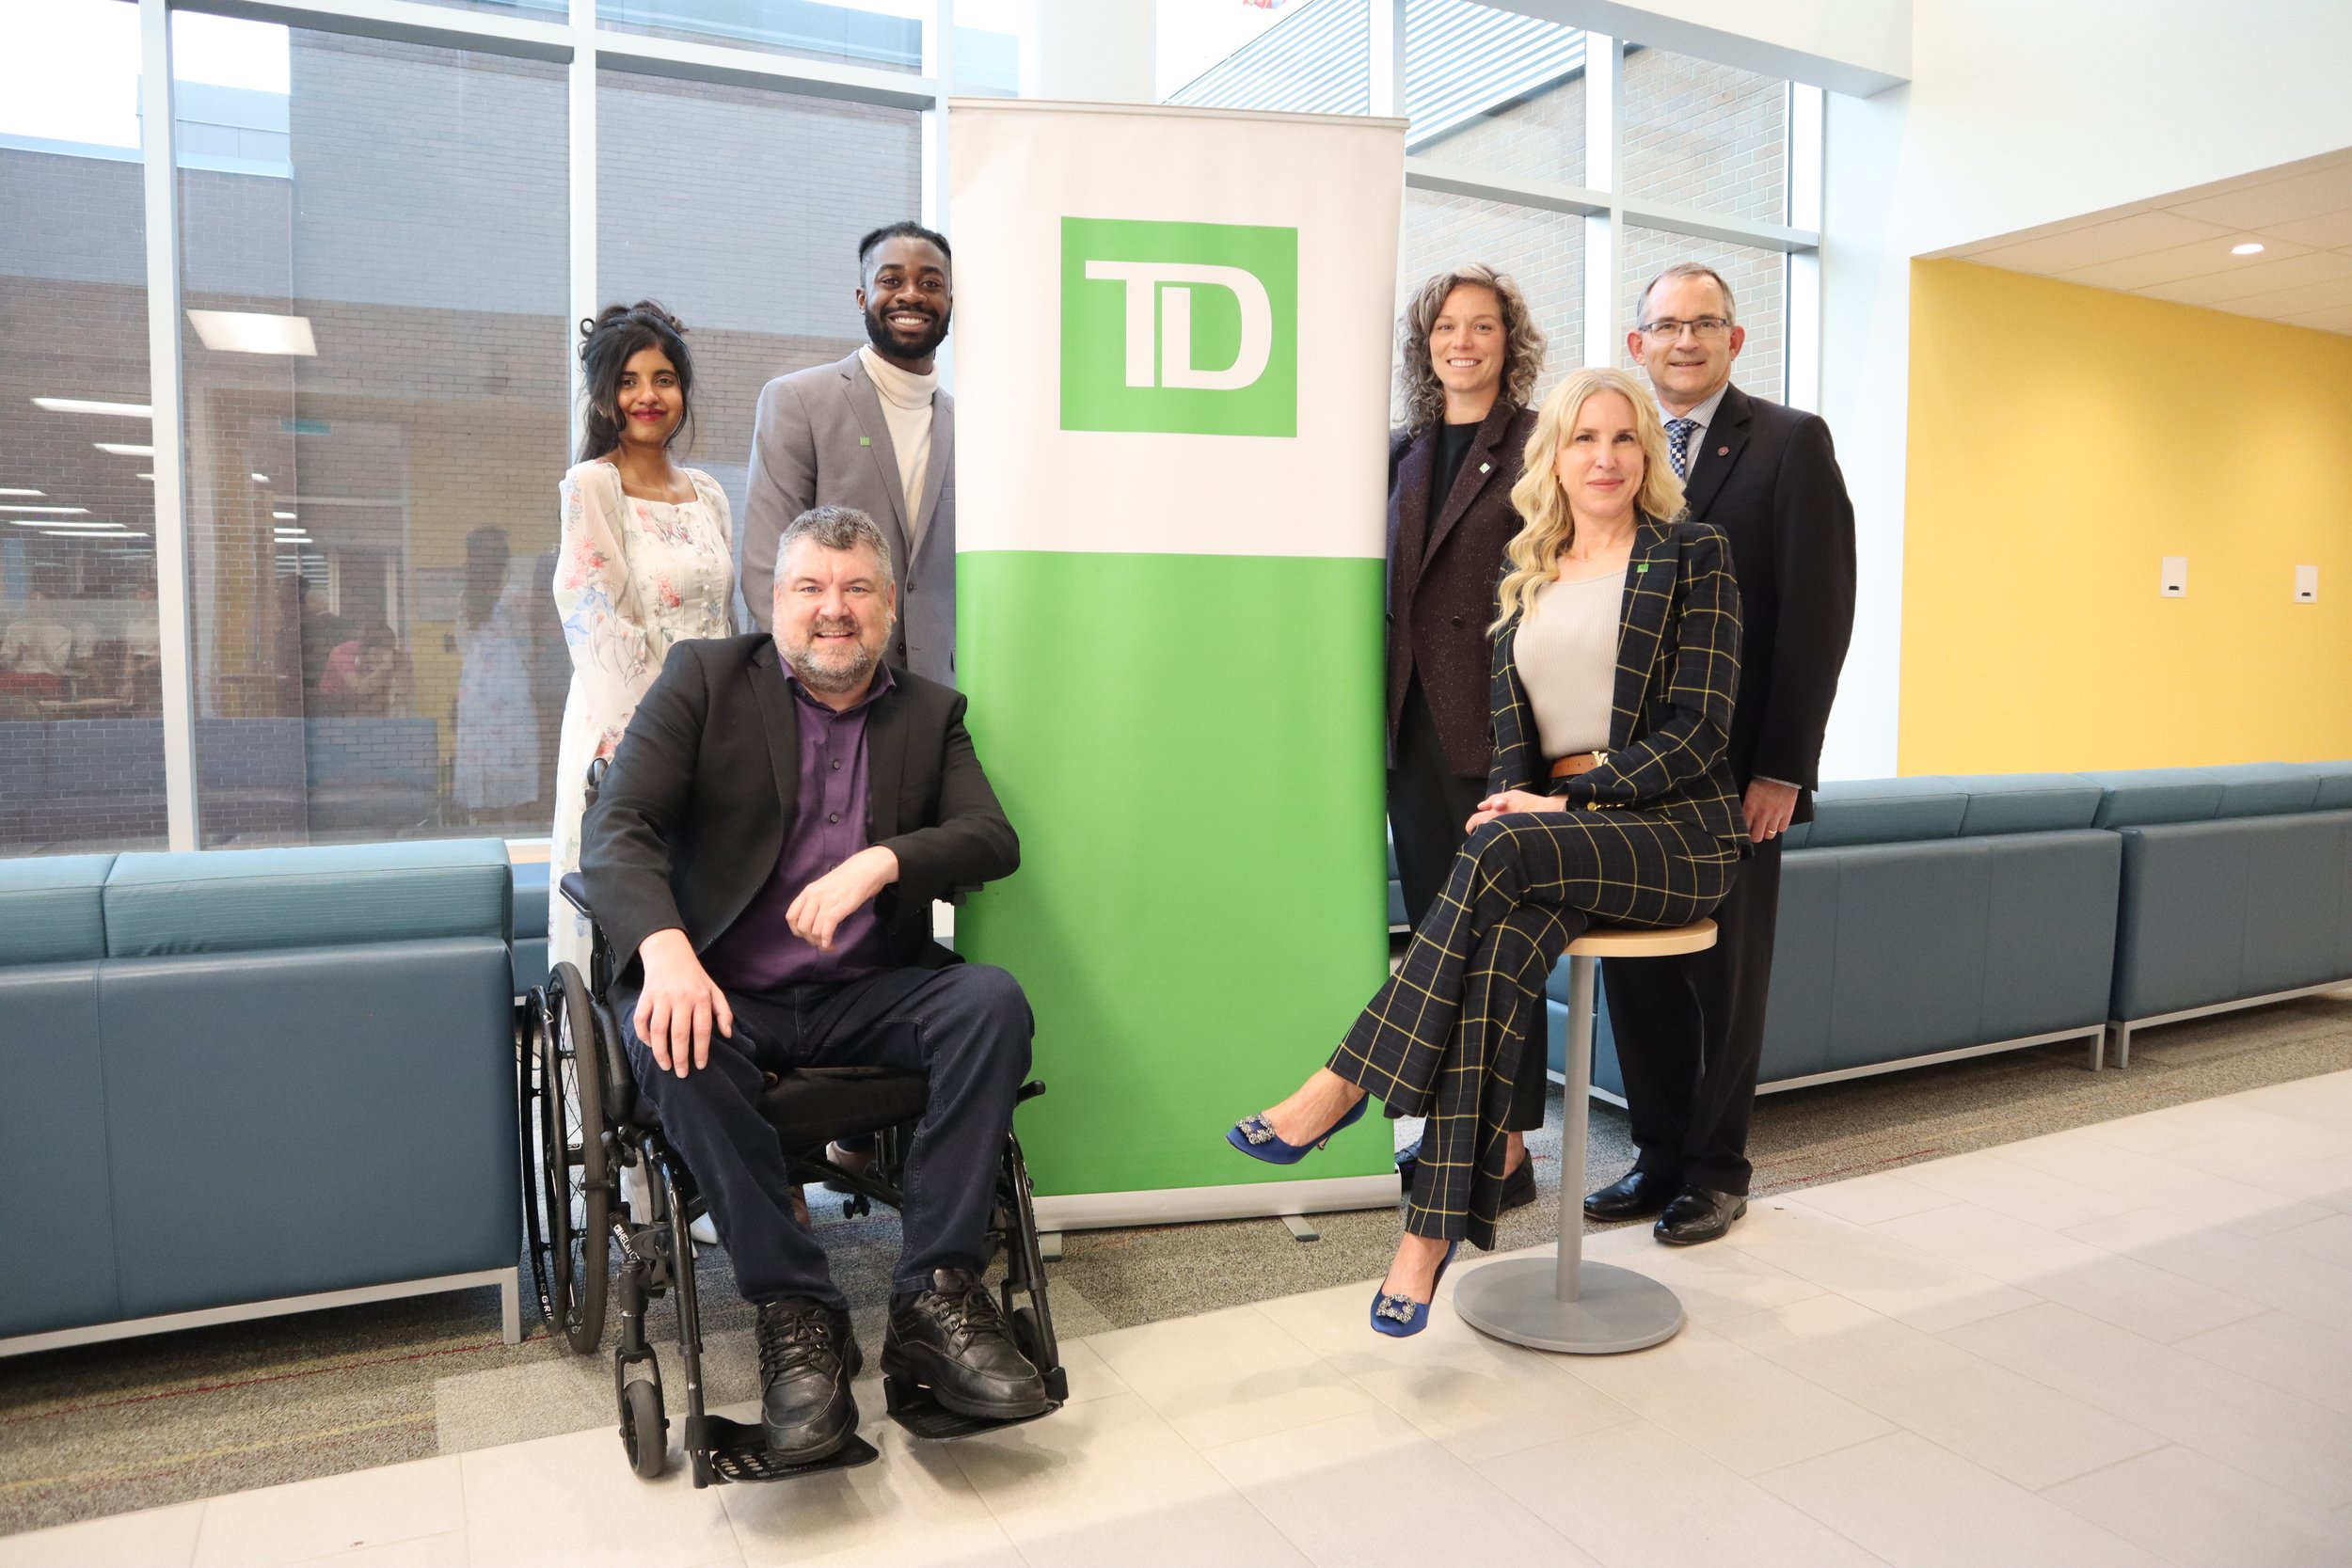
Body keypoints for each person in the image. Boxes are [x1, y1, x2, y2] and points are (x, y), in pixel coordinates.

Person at [1229, 367, 1744, 1336]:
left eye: (1624, 437)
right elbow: (1512, 745)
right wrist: (1525, 799)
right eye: (1583, 437)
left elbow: (1700, 729)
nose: (1604, 456)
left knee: (1506, 845)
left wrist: (1562, 798)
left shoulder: (1692, 555)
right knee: (1499, 949)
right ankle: (1424, 1243)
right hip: (1559, 834)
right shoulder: (1528, 573)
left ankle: (1343, 1081)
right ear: (1553, 455)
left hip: (1675, 832)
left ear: (1645, 454)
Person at [580, 504, 1045, 1463]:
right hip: (722, 987)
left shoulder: (927, 712)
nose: (833, 608)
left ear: (885, 607)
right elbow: (619, 827)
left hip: (861, 991)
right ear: (774, 598)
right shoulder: (706, 682)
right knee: (675, 1034)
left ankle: (934, 1295)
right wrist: (666, 951)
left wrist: (880, 862)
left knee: (989, 1003)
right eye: (810, 587)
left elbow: (990, 836)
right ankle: (800, 1314)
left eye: (855, 588)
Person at [1585, 261, 1856, 1245]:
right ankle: (1654, 1156)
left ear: (1735, 341)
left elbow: (1817, 617)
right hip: (1625, 776)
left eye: (1705, 324)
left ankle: (1716, 1167)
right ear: (1637, 345)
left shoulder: (1789, 443)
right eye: (1666, 325)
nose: (1685, 340)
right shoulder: (1614, 454)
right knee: (1637, 977)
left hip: (1737, 775)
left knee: (1725, 977)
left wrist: (1783, 767)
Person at [1384, 264, 1548, 1214]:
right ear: (1427, 343)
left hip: (1494, 725)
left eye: (1481, 327)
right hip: (1408, 728)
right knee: (1442, 948)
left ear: (1507, 340)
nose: (1462, 342)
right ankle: (1458, 1129)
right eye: (1446, 327)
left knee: (1500, 945)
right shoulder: (1402, 449)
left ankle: (1510, 1145)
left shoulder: (1535, 442)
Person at [551, 301, 734, 978]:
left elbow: (724, 622)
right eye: (628, 380)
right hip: (627, 732)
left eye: (663, 378)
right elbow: (597, 623)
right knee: (635, 912)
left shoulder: (709, 493)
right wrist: (664, 741)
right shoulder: (591, 486)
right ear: (605, 396)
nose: (647, 396)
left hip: (712, 732)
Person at [739, 221, 956, 683]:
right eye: (891, 280)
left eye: (931, 283)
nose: (912, 295)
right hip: (825, 690)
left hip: (943, 695)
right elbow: (766, 568)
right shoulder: (799, 402)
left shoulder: (976, 428)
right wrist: (814, 681)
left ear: (950, 303)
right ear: (862, 297)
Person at [452, 527, 542, 820]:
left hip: (476, 685)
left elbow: (462, 643)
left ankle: (482, 818)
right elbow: (526, 640)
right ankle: (510, 819)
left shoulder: (468, 597)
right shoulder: (514, 594)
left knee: (482, 750)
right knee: (509, 749)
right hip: (509, 681)